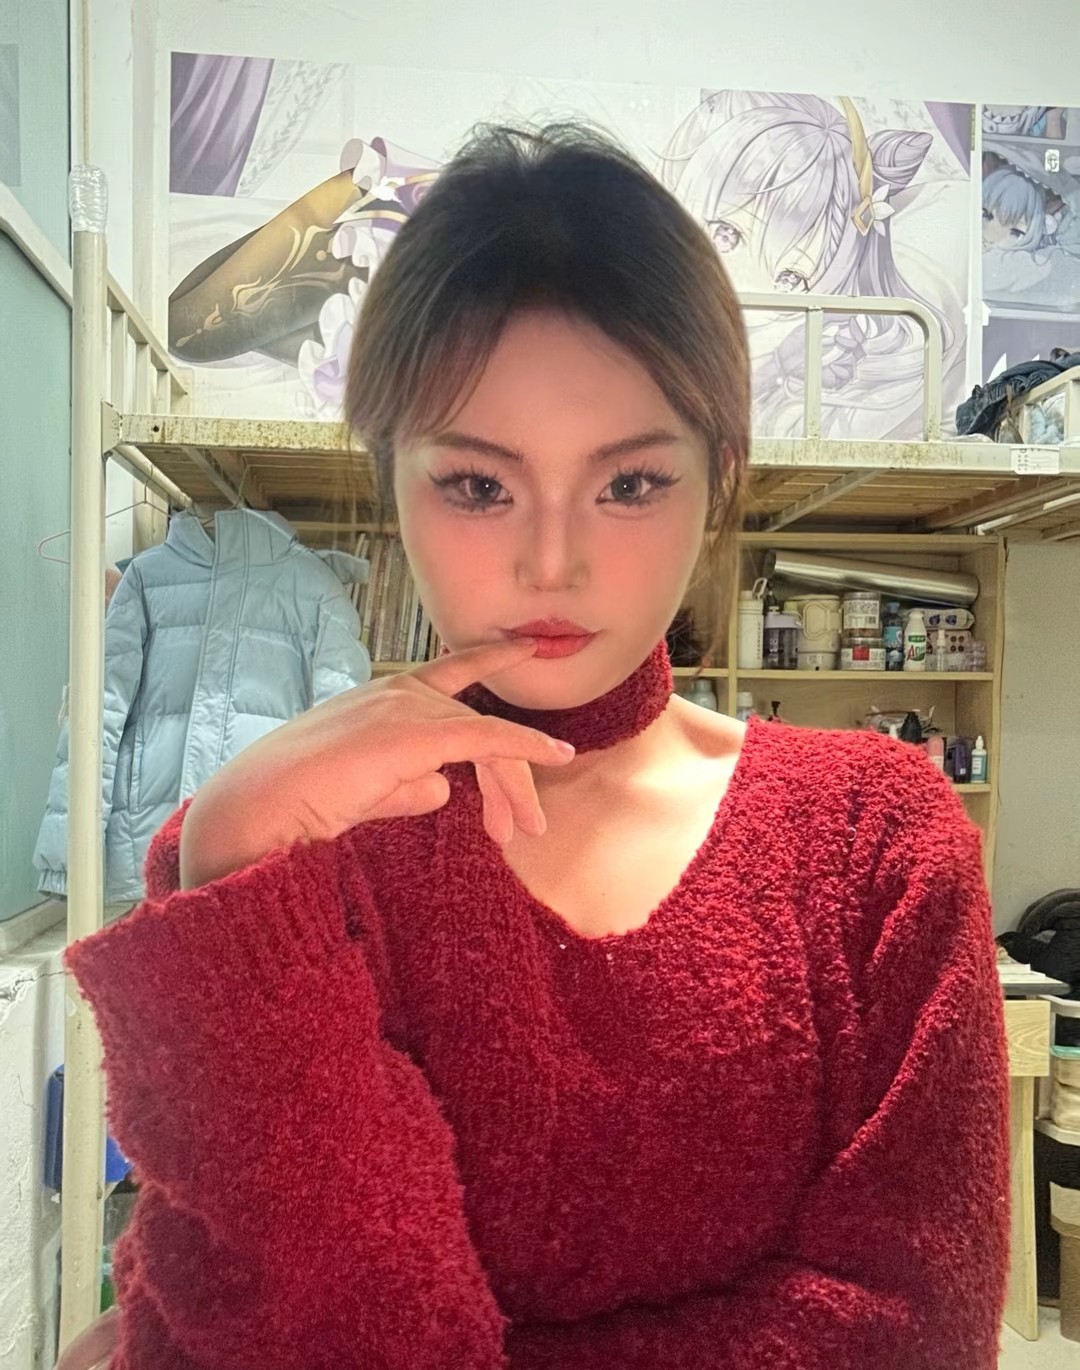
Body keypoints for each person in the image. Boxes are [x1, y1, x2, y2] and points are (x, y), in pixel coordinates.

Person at [61, 123, 1009, 1370]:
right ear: (391, 479)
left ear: (719, 479)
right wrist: (234, 863)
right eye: (478, 485)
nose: (552, 560)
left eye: (629, 484)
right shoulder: (264, 853)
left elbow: (912, 1333)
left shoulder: (874, 836)